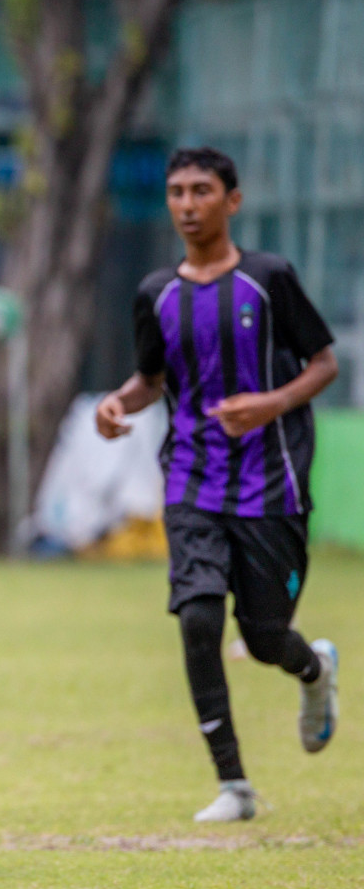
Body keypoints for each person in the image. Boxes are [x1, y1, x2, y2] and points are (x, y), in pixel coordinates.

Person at [95, 146, 340, 822]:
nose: (186, 204)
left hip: (272, 485)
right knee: (199, 618)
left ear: (232, 200)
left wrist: (271, 404)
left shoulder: (270, 280)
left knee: (264, 639)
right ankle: (234, 785)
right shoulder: (155, 294)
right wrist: (116, 405)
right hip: (192, 478)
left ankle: (314, 671)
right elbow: (150, 380)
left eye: (201, 190)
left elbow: (324, 364)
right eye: (176, 191)